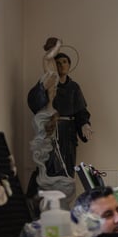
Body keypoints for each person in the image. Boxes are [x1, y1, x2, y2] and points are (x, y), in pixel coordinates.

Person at [27, 41, 93, 199]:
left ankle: (64, 200)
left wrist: (84, 124)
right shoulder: (50, 83)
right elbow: (34, 100)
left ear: (69, 65)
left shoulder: (74, 87)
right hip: (52, 128)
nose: (62, 65)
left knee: (67, 167)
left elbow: (81, 111)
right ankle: (46, 199)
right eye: (58, 62)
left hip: (68, 134)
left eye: (65, 62)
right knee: (50, 165)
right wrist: (43, 89)